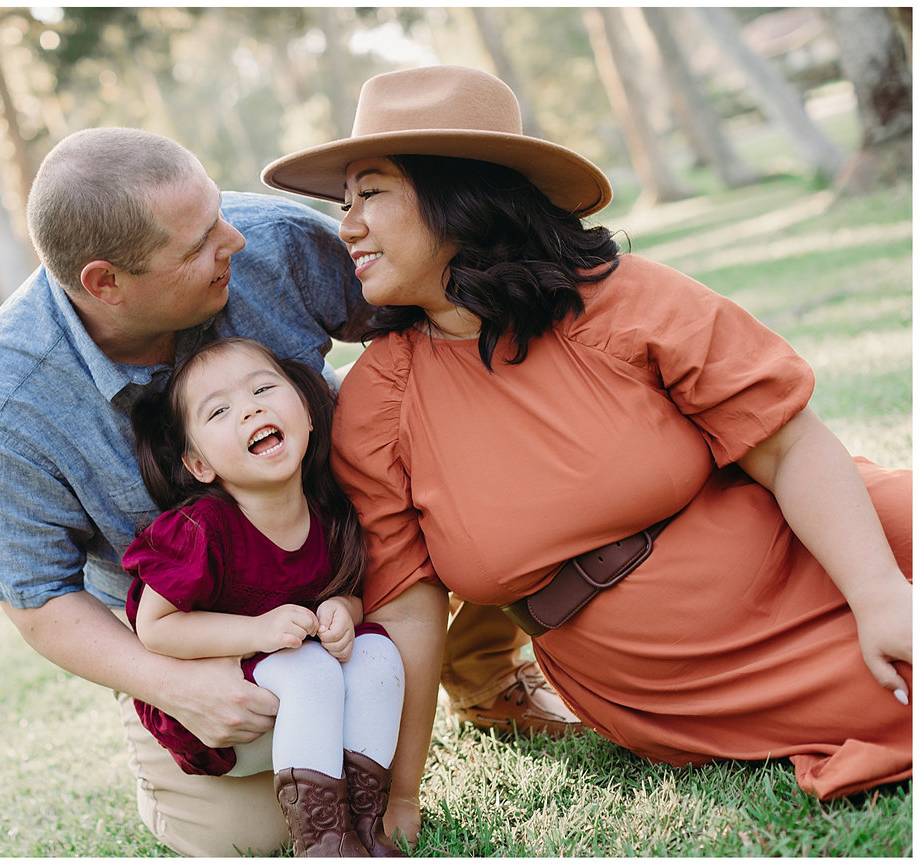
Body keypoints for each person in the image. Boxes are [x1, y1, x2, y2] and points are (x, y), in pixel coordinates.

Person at [261, 65, 913, 844]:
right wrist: (402, 793)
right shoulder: (378, 403)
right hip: (670, 665)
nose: (347, 227)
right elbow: (408, 608)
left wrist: (878, 592)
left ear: (457, 195)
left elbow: (788, 442)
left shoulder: (624, 299)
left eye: (370, 194)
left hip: (806, 533)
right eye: (343, 203)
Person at [0, 126, 566, 856]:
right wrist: (169, 685)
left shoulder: (276, 243)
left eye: (218, 210)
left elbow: (433, 317)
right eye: (198, 241)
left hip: (342, 540)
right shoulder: (1, 402)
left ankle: (481, 663)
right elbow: (39, 597)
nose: (233, 239)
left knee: (484, 504)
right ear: (105, 283)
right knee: (248, 833)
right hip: (195, 625)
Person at [123, 336, 405, 857]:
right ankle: (321, 843)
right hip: (222, 707)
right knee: (309, 668)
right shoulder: (201, 529)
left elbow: (345, 591)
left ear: (307, 412)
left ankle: (366, 826)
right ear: (200, 464)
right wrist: (256, 631)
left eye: (264, 388)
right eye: (220, 410)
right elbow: (155, 626)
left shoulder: (329, 511)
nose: (251, 407)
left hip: (304, 704)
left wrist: (344, 611)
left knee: (376, 651)